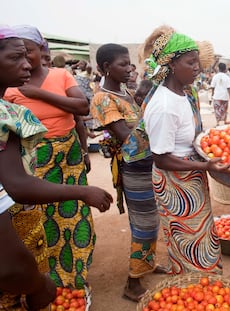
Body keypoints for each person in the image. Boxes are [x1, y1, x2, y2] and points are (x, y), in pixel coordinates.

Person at [0, 25, 112, 311]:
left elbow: (81, 108)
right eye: (15, 57)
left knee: (68, 223)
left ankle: (70, 276)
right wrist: (37, 284)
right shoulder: (6, 110)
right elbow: (16, 185)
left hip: (64, 160)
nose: (26, 63)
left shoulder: (57, 78)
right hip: (31, 182)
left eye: (28, 54)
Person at [143, 29, 230, 275]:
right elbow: (161, 158)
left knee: (200, 234)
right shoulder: (164, 105)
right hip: (175, 183)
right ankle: (193, 287)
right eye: (191, 62)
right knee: (188, 240)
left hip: (190, 176)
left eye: (198, 61)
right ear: (172, 64)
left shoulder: (183, 95)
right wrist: (206, 166)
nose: (198, 67)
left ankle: (201, 284)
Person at [91, 43, 166, 303]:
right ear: (104, 68)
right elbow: (126, 137)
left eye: (129, 63)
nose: (129, 68)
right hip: (133, 168)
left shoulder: (122, 91)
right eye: (122, 64)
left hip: (146, 164)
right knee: (144, 223)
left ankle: (147, 263)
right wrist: (152, 117)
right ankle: (132, 284)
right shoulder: (103, 99)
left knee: (150, 219)